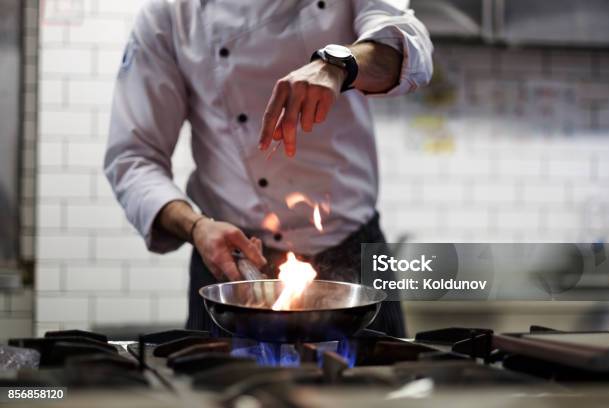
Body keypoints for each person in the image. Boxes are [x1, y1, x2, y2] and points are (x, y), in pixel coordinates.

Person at [104, 0, 433, 337]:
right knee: (216, 388)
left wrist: (338, 64)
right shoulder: (171, 14)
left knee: (384, 386)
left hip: (356, 255)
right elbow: (133, 157)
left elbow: (412, 47)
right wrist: (196, 227)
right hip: (234, 265)